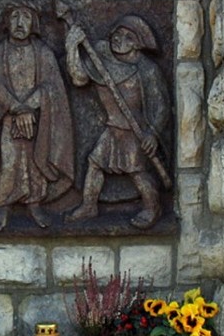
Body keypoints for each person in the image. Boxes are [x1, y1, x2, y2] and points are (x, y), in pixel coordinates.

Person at [64, 14, 169, 229]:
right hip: (113, 127)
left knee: (136, 171)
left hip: (135, 130)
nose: (118, 39)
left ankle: (152, 206)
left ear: (137, 43)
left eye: (126, 37)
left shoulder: (147, 70)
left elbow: (161, 106)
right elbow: (79, 78)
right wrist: (72, 48)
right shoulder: (101, 57)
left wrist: (153, 133)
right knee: (95, 163)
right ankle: (89, 205)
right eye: (116, 34)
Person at [0, 4, 75, 231]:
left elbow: (52, 87)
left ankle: (35, 204)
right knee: (9, 161)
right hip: (8, 119)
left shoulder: (43, 52)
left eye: (25, 17)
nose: (20, 23)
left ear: (34, 23)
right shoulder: (0, 53)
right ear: (6, 23)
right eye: (14, 17)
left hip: (39, 121)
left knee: (35, 161)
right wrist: (16, 108)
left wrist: (30, 106)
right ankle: (2, 205)